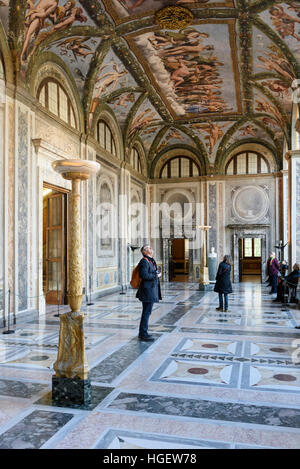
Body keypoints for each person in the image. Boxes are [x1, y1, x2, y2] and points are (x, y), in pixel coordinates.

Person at [136, 245, 162, 341]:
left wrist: (156, 274)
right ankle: (143, 334)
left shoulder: (151, 260)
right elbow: (143, 275)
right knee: (146, 312)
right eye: (149, 248)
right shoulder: (144, 261)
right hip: (147, 291)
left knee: (147, 312)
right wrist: (156, 275)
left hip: (151, 290)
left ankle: (142, 332)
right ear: (145, 251)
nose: (152, 248)